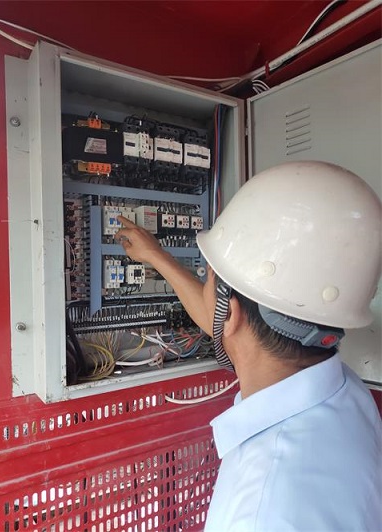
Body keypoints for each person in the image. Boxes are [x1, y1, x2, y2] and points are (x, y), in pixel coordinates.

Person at [116, 161, 382, 531]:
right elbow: (222, 318)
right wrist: (157, 257)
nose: (206, 288)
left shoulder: (261, 513)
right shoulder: (346, 393)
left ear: (231, 313)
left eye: (208, 277)